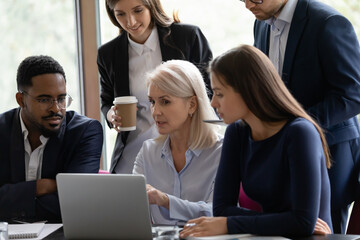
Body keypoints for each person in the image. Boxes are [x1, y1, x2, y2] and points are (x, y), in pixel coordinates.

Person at [179, 45, 332, 238]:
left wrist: (232, 223)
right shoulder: (237, 132)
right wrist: (283, 220)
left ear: (248, 90)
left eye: (219, 94)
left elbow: (302, 224)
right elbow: (221, 210)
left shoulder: (300, 133)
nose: (213, 103)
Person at [239, 0, 360, 233]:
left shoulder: (328, 23)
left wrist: (294, 125)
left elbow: (353, 95)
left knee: (324, 233)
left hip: (329, 155)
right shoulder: (261, 23)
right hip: (280, 156)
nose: (247, 5)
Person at [97, 0, 213, 173]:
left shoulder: (187, 37)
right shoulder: (108, 53)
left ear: (151, 6)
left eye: (138, 11)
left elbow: (209, 91)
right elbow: (106, 100)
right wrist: (111, 114)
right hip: (134, 151)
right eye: (120, 14)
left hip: (187, 148)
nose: (131, 22)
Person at [0, 55, 103, 223]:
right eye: (44, 100)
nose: (56, 108)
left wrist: (14, 198)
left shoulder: (85, 132)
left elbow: (75, 203)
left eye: (61, 99)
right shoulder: (2, 129)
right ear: (21, 100)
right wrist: (39, 187)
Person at [133, 60, 222, 225]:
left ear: (192, 105)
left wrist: (166, 201)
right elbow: (134, 210)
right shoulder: (147, 151)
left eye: (165, 102)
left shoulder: (220, 152)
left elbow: (218, 211)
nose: (155, 112)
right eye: (152, 101)